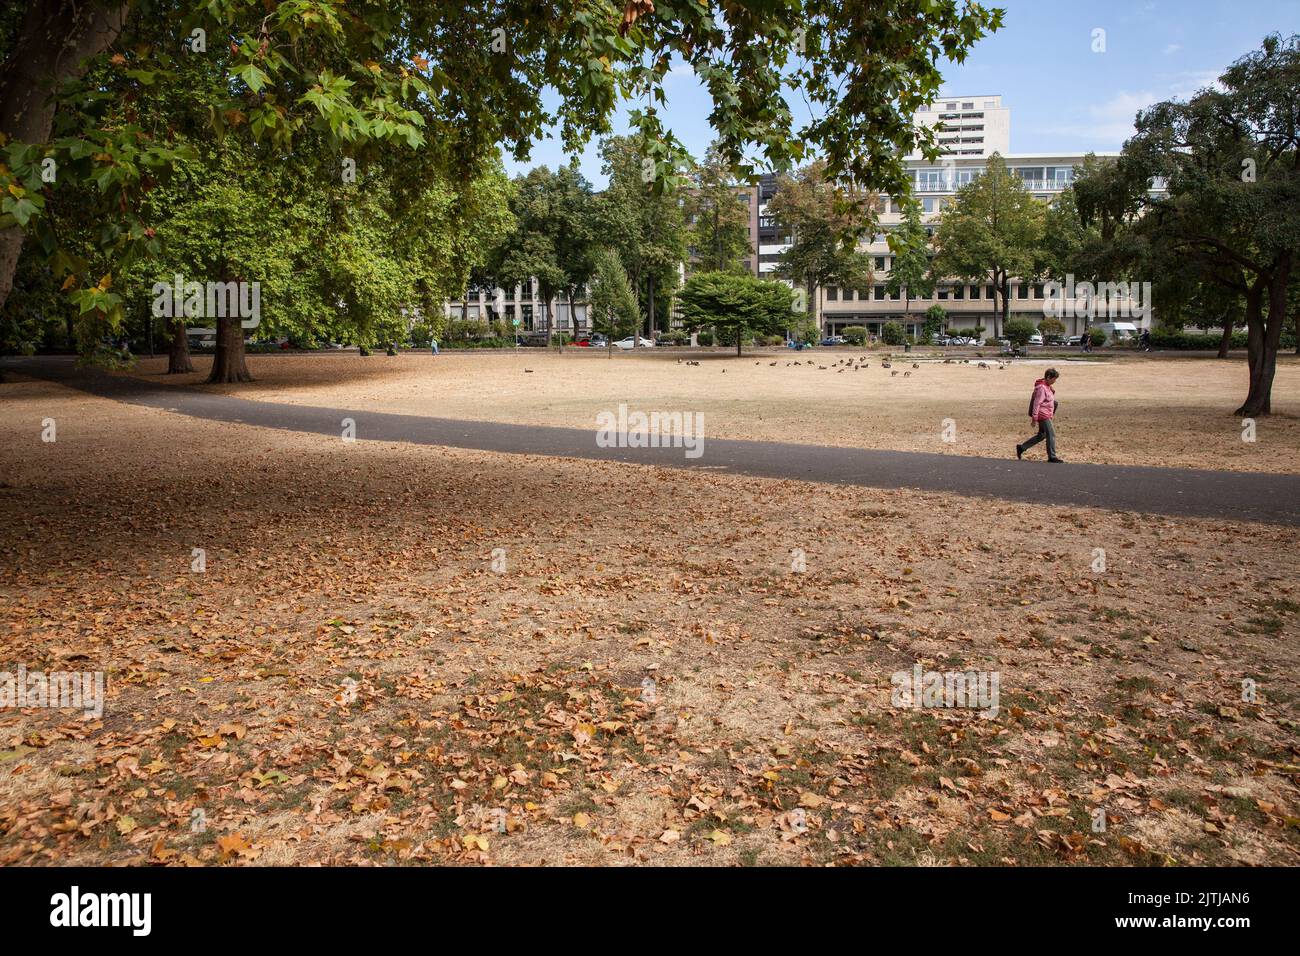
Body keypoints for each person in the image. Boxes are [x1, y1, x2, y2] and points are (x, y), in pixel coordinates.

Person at [1016, 368, 1064, 463]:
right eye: (1054, 379)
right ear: (1049, 377)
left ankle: (1022, 447)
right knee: (1051, 434)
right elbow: (1037, 403)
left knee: (1042, 435)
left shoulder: (1046, 386)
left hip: (1046, 414)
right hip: (1043, 415)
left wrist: (1051, 390)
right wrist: (1034, 418)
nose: (1055, 381)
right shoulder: (1042, 388)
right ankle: (1052, 456)